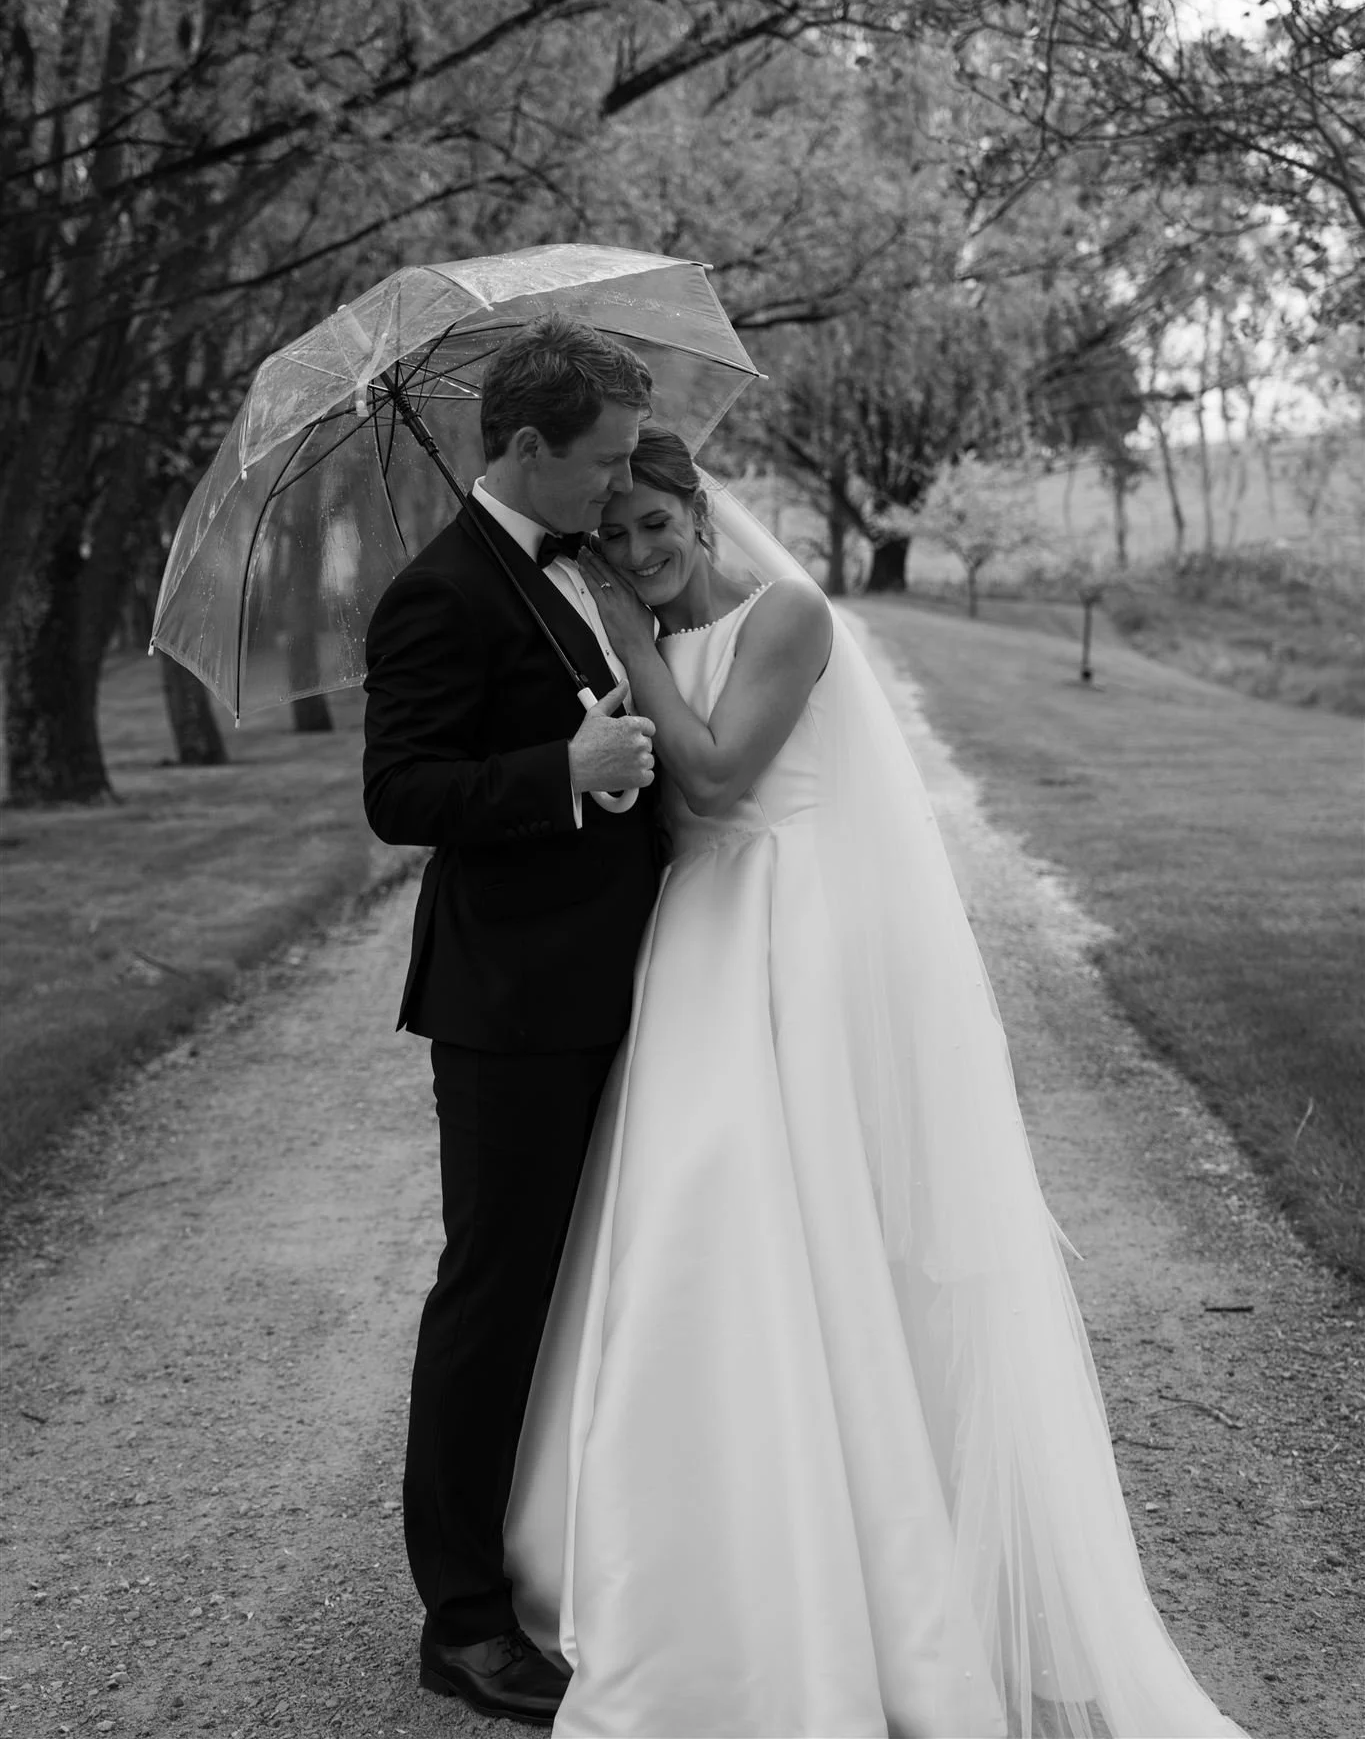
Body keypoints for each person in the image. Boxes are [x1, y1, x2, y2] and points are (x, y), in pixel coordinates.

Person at [503, 427, 1247, 1739]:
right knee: (702, 1234)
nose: (637, 553)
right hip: (698, 948)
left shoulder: (788, 616)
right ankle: (708, 1552)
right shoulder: (632, 638)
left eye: (654, 525)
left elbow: (723, 772)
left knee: (824, 1223)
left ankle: (885, 1577)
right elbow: (653, 795)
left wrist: (624, 643)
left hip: (798, 938)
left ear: (699, 511)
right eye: (611, 537)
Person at [362, 316, 661, 1726]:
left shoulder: (570, 565)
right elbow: (403, 795)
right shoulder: (437, 595)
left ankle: (573, 1558)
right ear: (528, 447)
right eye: (600, 460)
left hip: (620, 981)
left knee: (598, 1287)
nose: (620, 482)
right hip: (515, 1008)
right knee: (493, 1302)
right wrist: (564, 767)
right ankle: (463, 1622)